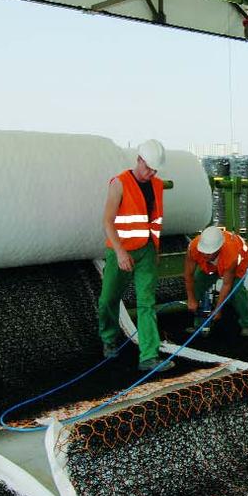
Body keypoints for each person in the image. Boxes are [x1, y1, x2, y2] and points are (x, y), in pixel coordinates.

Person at [97, 139, 173, 372]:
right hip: (121, 251)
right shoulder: (119, 183)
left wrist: (155, 251)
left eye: (154, 169)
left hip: (146, 252)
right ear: (138, 159)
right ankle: (109, 339)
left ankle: (149, 356)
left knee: (147, 303)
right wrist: (120, 251)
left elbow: (152, 221)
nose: (150, 173)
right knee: (108, 299)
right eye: (147, 167)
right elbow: (107, 221)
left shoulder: (158, 185)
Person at [183, 226, 248, 337]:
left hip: (238, 260)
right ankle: (200, 325)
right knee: (198, 284)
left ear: (218, 249)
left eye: (209, 253)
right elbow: (188, 275)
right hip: (212, 265)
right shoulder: (193, 247)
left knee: (236, 290)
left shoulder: (230, 253)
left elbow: (227, 284)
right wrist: (191, 299)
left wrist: (218, 309)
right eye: (203, 252)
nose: (205, 255)